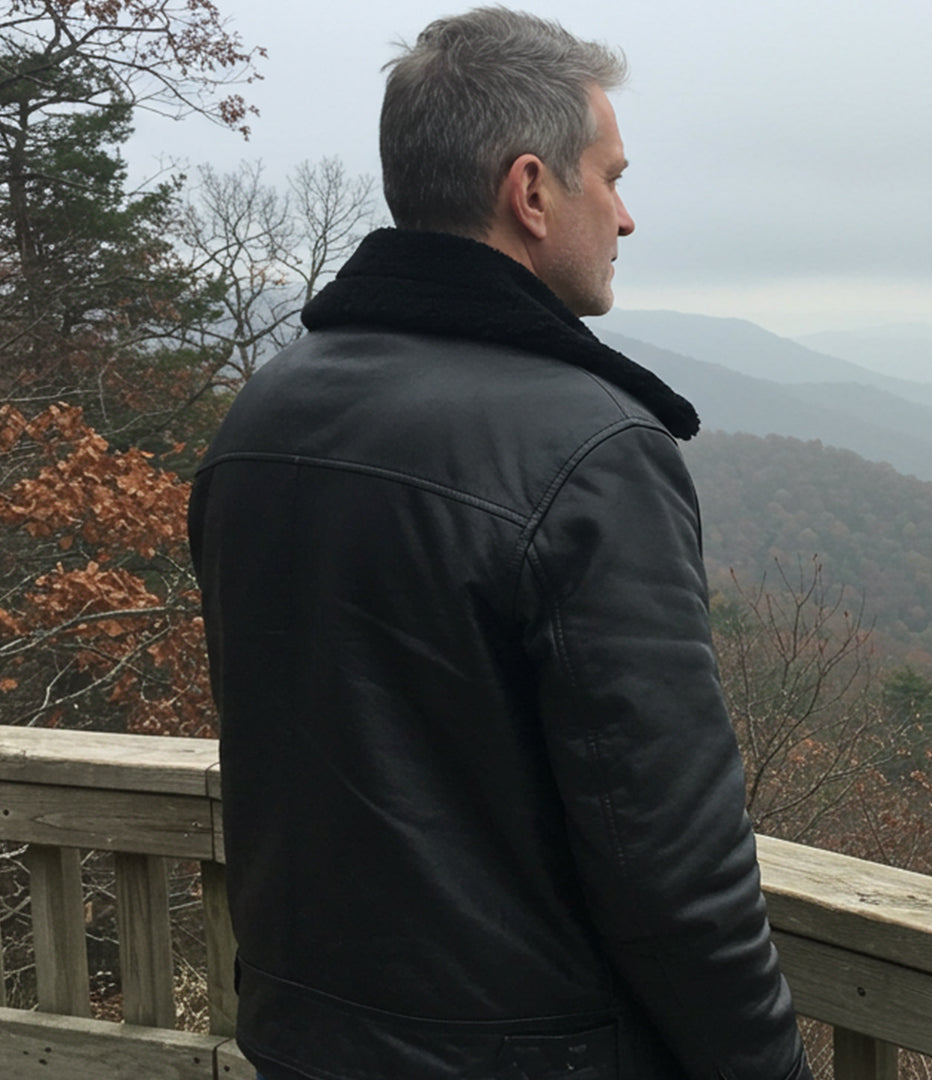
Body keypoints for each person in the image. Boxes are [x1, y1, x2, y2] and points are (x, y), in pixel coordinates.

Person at [188, 8, 813, 1080]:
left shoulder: (263, 415)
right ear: (530, 190)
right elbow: (673, 863)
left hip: (303, 1036)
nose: (626, 218)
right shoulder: (590, 449)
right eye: (610, 178)